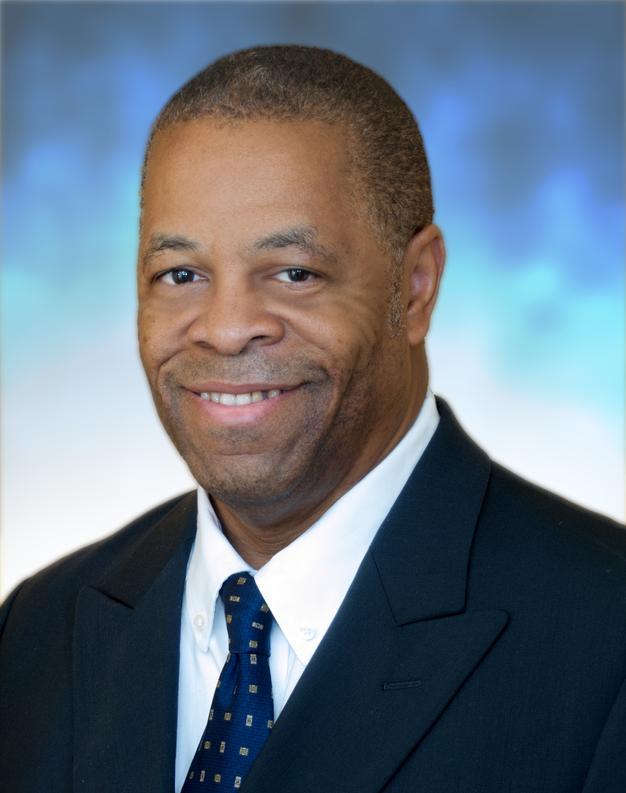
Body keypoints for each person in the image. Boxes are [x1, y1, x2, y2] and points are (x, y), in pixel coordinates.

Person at [1, 45, 625, 793]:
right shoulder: (38, 630)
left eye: (295, 272)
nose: (226, 328)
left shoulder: (605, 636)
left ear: (415, 287)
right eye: (181, 274)